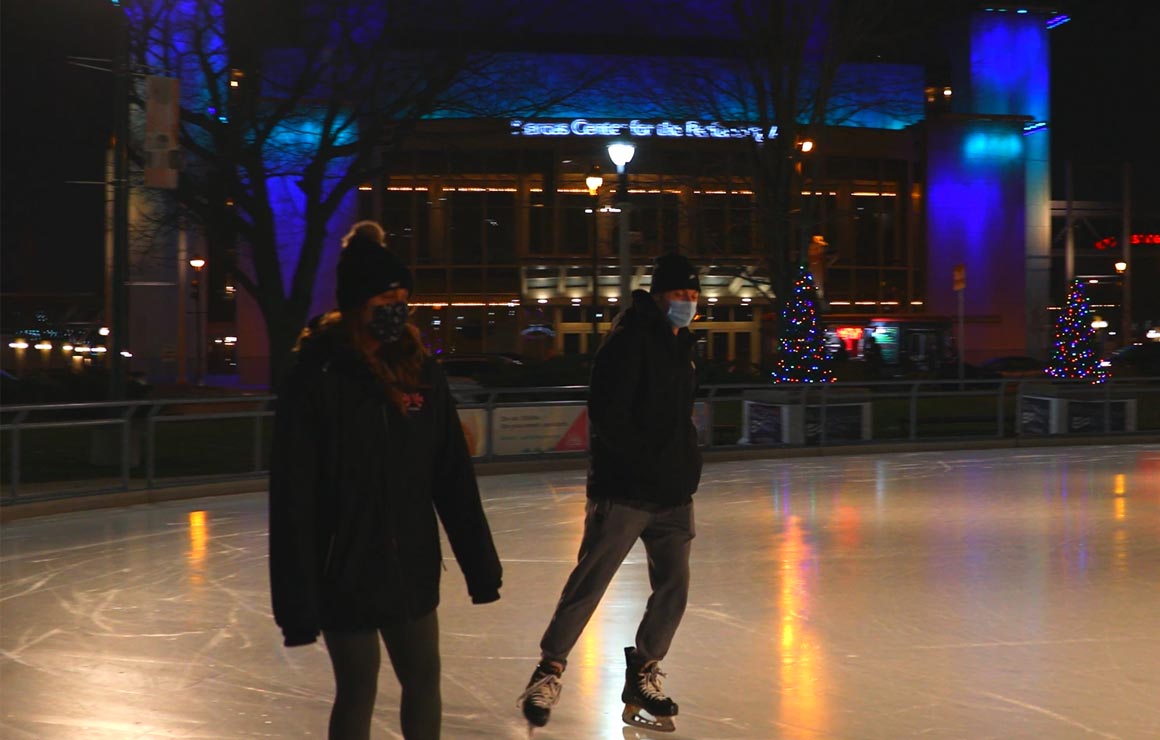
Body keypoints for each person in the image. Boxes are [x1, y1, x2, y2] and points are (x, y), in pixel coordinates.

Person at [268, 220, 502, 740]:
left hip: (411, 566)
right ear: (357, 301)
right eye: (386, 297)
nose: (398, 306)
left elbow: (452, 478)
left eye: (403, 297)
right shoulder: (317, 375)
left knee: (424, 680)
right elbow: (293, 498)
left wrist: (480, 567)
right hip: (343, 569)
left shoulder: (420, 371)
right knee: (358, 687)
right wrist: (297, 604)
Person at [517, 252, 703, 734]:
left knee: (674, 588)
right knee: (590, 582)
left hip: (673, 494)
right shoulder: (629, 340)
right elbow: (607, 415)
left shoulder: (680, 344)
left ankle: (643, 671)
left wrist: (686, 468)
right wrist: (641, 465)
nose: (687, 301)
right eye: (679, 293)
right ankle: (549, 670)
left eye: (692, 293)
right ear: (659, 296)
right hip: (625, 491)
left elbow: (678, 419)